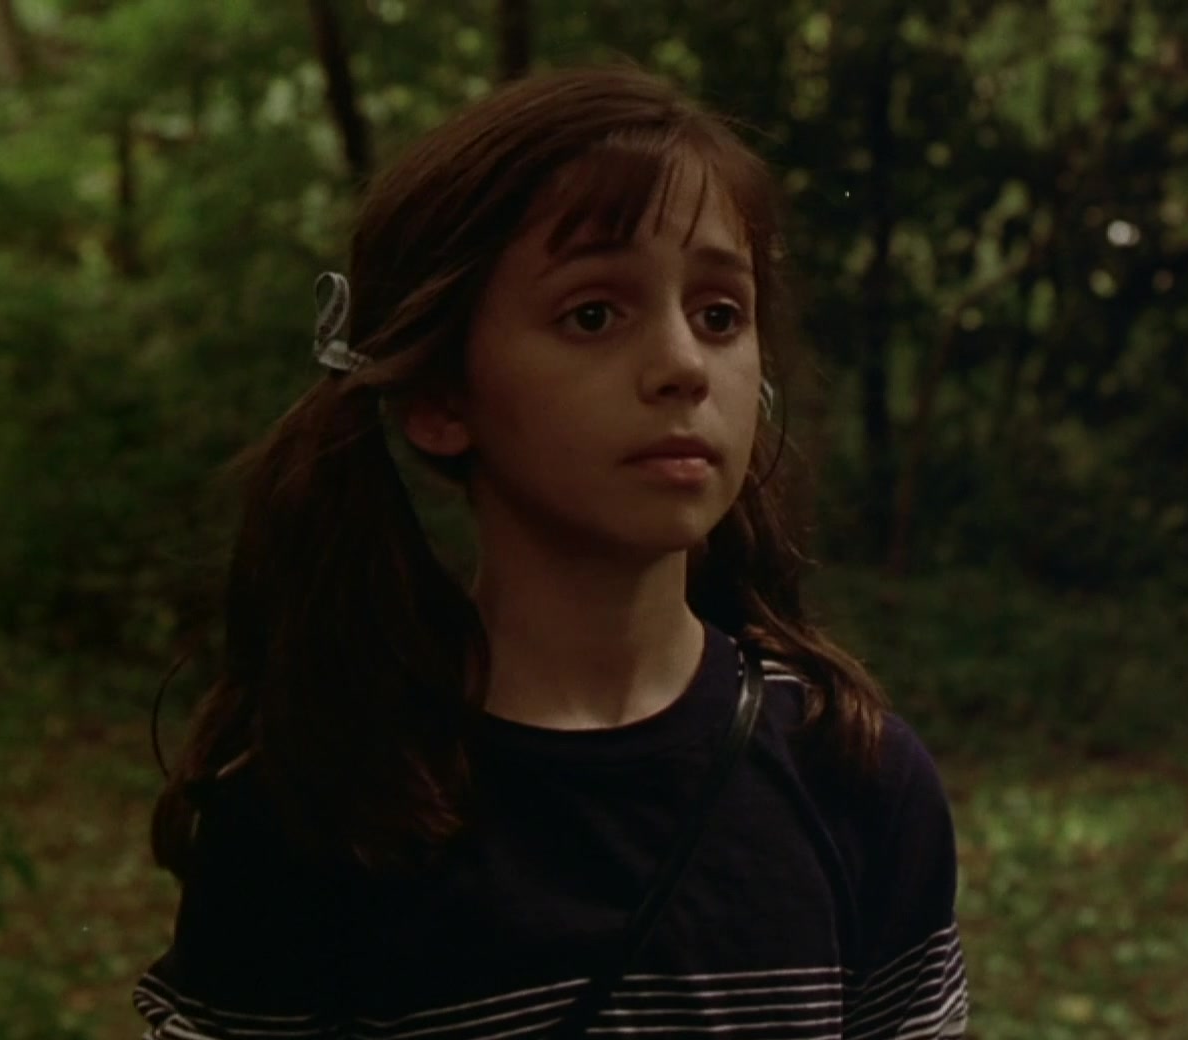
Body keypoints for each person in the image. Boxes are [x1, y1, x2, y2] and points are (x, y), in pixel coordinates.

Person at [135, 63, 968, 1039]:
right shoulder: (324, 809)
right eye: (593, 314)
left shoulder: (853, 775)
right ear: (440, 396)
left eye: (719, 315)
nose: (684, 365)